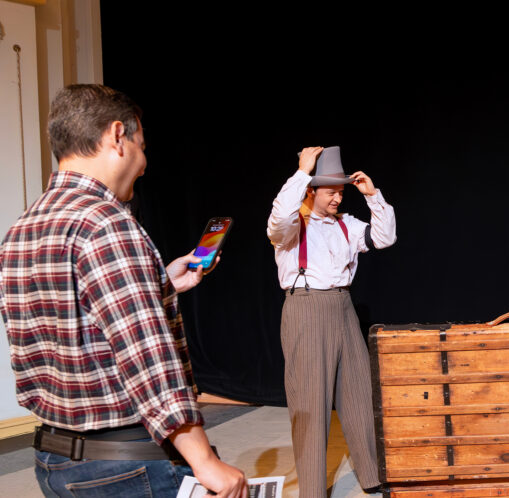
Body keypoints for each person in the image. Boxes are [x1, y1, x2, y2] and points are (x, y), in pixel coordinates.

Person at [0, 84, 246, 497]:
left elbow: (71, 327)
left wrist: (159, 283)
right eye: (142, 146)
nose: (145, 163)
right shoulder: (105, 223)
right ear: (117, 136)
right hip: (125, 467)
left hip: (53, 461)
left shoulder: (20, 231)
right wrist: (205, 461)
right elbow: (147, 355)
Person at [266, 145, 396, 495]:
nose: (338, 197)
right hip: (306, 309)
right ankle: (311, 489)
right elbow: (278, 219)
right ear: (311, 190)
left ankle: (372, 475)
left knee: (357, 395)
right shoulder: (292, 226)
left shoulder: (346, 225)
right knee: (310, 403)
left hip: (343, 308)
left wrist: (373, 196)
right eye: (331, 191)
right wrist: (301, 172)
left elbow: (384, 238)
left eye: (341, 190)